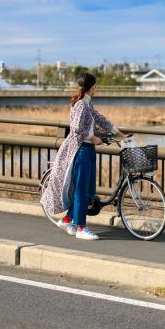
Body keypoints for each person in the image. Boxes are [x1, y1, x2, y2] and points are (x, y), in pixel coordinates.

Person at [40, 73, 125, 240]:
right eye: (96, 85)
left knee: (87, 191)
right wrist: (93, 138)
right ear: (92, 86)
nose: (98, 88)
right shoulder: (81, 105)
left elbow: (99, 119)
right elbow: (77, 129)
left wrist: (118, 133)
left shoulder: (87, 103)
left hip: (88, 150)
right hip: (81, 151)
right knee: (81, 190)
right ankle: (81, 228)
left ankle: (67, 220)